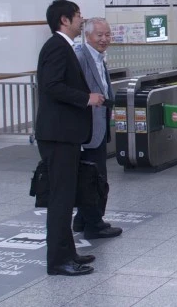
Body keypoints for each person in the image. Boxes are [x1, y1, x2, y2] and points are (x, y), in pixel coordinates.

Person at [35, 0, 102, 277]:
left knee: (66, 198)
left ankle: (68, 253)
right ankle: (58, 261)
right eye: (78, 16)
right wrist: (86, 98)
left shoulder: (63, 46)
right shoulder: (56, 47)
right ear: (64, 20)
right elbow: (51, 86)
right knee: (60, 200)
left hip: (65, 135)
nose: (81, 19)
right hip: (58, 135)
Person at [72, 18, 122, 240]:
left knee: (92, 174)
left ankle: (83, 218)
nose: (104, 39)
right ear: (88, 36)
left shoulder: (99, 57)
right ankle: (94, 223)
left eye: (107, 35)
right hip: (87, 127)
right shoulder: (81, 57)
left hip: (99, 124)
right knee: (94, 176)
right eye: (99, 35)